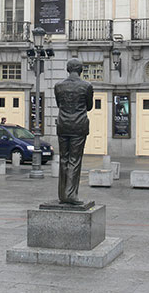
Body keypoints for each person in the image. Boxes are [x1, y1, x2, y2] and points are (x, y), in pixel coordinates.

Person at [53, 58, 94, 205]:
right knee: (74, 160)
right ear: (81, 70)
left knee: (64, 159)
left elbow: (59, 104)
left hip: (63, 125)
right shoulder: (86, 86)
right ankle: (71, 195)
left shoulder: (58, 86)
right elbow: (89, 106)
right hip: (78, 126)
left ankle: (62, 195)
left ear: (67, 69)